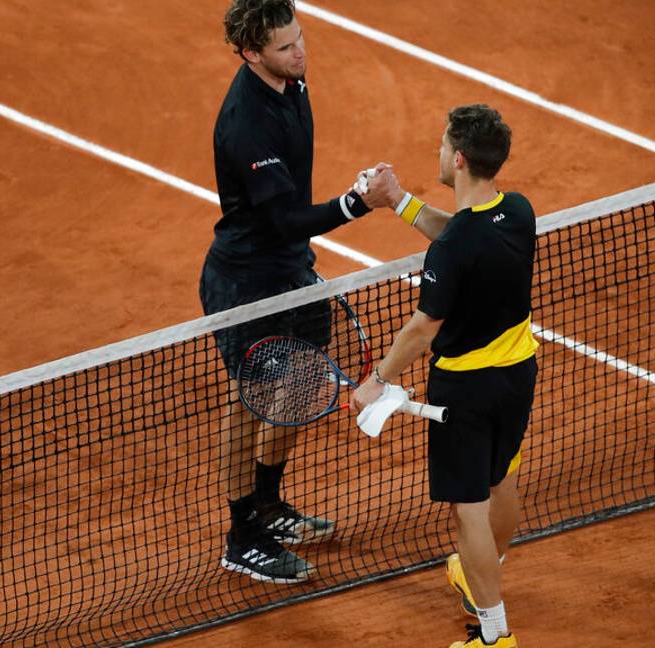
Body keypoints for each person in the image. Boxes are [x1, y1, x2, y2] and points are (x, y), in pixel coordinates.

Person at [202, 0, 399, 584]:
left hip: (291, 270)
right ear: (251, 53)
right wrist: (356, 203)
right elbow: (285, 218)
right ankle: (242, 535)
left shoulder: (294, 81)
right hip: (247, 284)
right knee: (251, 401)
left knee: (302, 379)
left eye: (300, 39)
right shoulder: (246, 123)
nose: (301, 52)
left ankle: (268, 506)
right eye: (286, 48)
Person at [353, 104, 536, 648]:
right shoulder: (518, 211)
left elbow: (422, 328)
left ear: (457, 159)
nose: (436, 151)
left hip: (465, 391)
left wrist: (377, 381)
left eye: (440, 145)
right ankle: (484, 571)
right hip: (518, 373)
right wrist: (397, 201)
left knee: (468, 511)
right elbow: (457, 233)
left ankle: (494, 637)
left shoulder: (456, 246)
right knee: (501, 479)